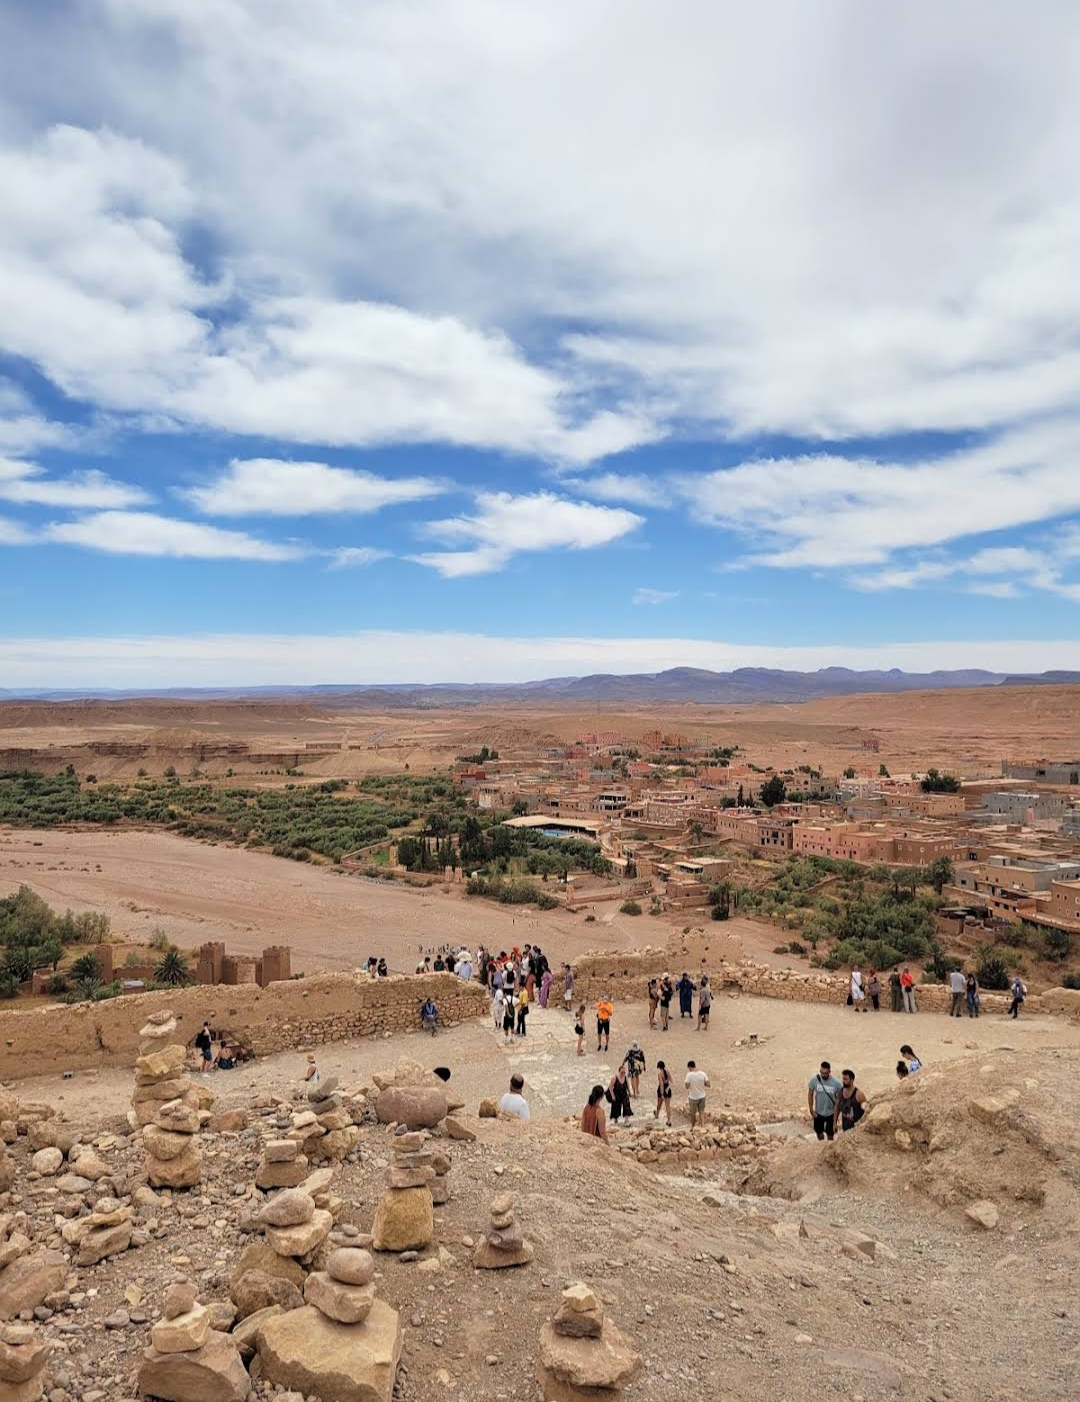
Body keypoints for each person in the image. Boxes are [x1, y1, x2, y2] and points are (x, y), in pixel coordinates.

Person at [807, 1060, 842, 1141]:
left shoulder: (836, 1083)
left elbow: (839, 1100)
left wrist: (836, 1118)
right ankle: (821, 1145)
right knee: (819, 1133)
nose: (823, 1075)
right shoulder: (815, 1080)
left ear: (829, 1071)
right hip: (818, 1113)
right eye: (821, 1072)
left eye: (825, 1073)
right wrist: (811, 1110)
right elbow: (810, 1094)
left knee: (830, 1135)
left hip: (831, 1113)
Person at [685, 1059, 710, 1127]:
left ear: (690, 1067)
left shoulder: (689, 1075)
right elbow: (708, 1084)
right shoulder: (703, 1074)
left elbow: (687, 1086)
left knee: (693, 1113)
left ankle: (693, 1127)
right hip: (702, 1096)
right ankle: (702, 1125)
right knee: (701, 1111)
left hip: (693, 1097)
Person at [654, 1060, 673, 1125]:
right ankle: (669, 1120)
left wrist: (662, 1094)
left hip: (662, 1090)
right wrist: (668, 1087)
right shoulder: (668, 1072)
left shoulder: (660, 1074)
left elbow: (661, 1085)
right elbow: (671, 1081)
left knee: (659, 1104)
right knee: (668, 1106)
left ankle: (657, 1114)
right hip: (668, 1089)